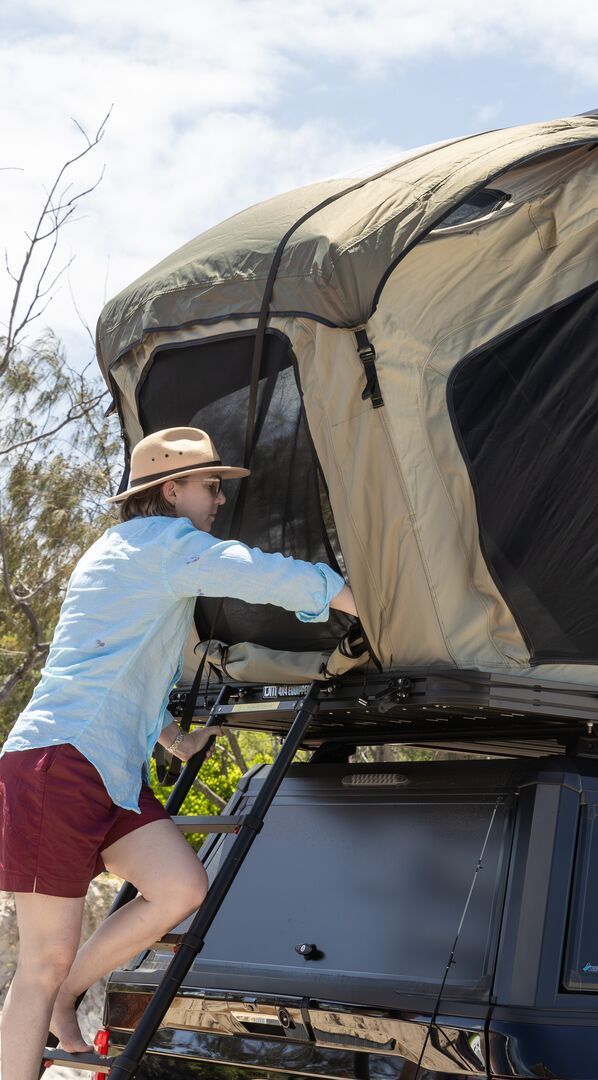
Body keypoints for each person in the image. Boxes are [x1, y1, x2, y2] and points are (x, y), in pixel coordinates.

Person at [0, 426, 358, 1078]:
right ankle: (48, 1006)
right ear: (172, 489)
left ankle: (68, 994)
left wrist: (173, 737)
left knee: (180, 885)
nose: (218, 499)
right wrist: (354, 600)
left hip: (103, 766)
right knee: (37, 964)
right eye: (210, 485)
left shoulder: (120, 550)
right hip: (61, 763)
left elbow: (111, 665)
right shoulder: (166, 545)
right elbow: (256, 573)